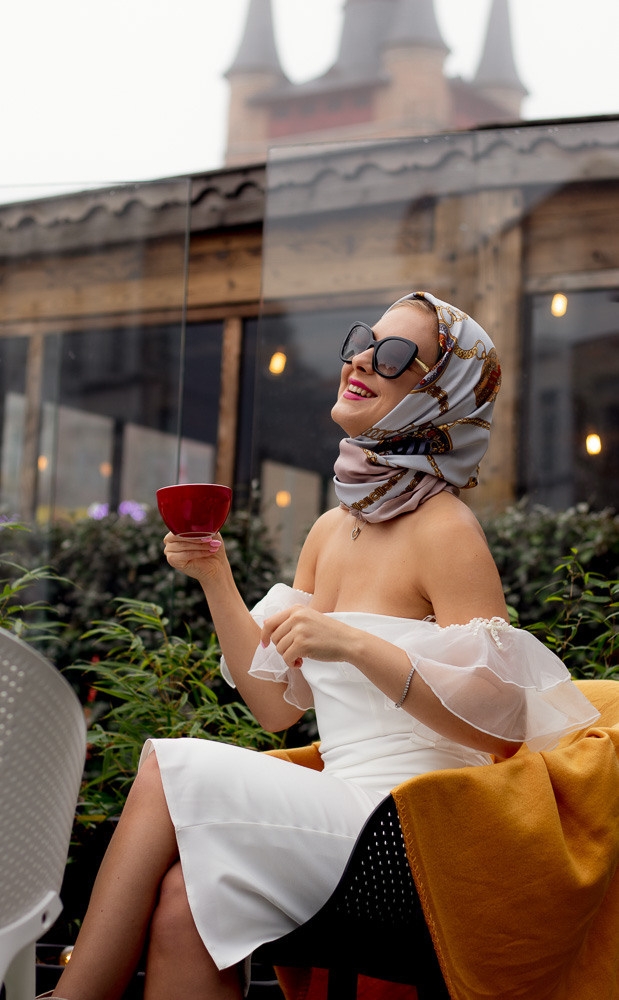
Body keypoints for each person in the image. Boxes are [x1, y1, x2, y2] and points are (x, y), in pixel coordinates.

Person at [50, 291, 598, 1000]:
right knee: (189, 905)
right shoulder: (329, 530)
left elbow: (497, 725)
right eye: (364, 340)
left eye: (397, 355)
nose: (363, 358)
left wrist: (353, 644)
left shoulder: (445, 529)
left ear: (439, 395)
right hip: (340, 812)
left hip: (420, 834)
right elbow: (275, 706)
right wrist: (215, 573)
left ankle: (74, 997)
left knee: (165, 765)